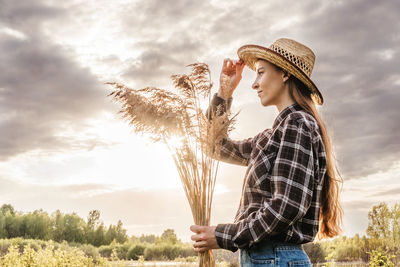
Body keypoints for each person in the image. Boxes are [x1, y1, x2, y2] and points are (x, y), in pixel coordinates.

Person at [190, 38, 343, 266]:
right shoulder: (271, 136)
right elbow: (214, 146)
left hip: (275, 258)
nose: (254, 83)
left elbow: (287, 207)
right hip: (268, 258)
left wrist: (223, 236)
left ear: (285, 75)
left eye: (261, 72)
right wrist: (224, 93)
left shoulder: (297, 123)